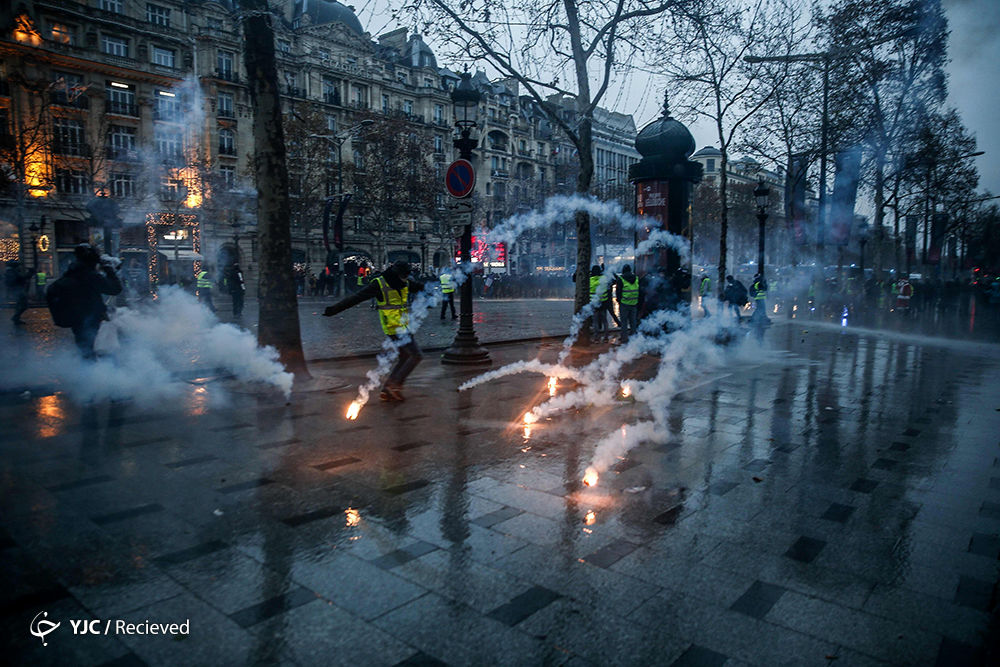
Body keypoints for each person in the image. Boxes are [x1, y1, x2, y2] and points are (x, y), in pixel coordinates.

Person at [323, 260, 427, 401]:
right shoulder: (380, 283)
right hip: (394, 327)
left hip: (402, 327)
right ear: (397, 274)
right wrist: (335, 309)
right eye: (404, 275)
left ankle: (388, 389)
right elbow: (356, 298)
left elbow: (420, 287)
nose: (406, 278)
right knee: (415, 355)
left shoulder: (405, 283)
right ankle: (393, 386)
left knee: (404, 357)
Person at [58, 244, 123, 359]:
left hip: (76, 317)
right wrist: (109, 270)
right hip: (90, 318)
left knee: (84, 348)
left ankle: (86, 370)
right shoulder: (89, 275)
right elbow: (115, 289)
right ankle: (92, 372)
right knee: (91, 350)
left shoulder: (72, 272)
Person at [615, 264, 640, 342]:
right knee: (633, 322)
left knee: (624, 322)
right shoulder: (636, 278)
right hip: (634, 303)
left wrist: (619, 301)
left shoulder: (621, 279)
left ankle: (624, 339)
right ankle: (633, 339)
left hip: (624, 303)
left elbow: (618, 292)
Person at [588, 264, 610, 342]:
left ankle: (596, 338)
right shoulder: (604, 279)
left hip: (594, 303)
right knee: (605, 321)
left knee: (595, 321)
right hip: (603, 303)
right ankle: (606, 337)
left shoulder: (590, 280)